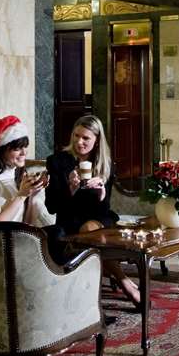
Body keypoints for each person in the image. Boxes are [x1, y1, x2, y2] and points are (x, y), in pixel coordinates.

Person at [45, 114, 140, 307]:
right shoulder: (57, 162)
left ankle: (107, 286)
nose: (79, 142)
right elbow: (51, 206)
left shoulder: (105, 164)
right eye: (76, 136)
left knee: (89, 229)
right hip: (68, 221)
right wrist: (70, 189)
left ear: (97, 141)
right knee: (88, 233)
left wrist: (101, 193)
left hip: (98, 218)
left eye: (85, 138)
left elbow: (103, 210)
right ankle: (124, 281)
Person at [0, 115, 48, 223]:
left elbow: (25, 224)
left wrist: (33, 195)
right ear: (1, 150)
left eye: (25, 146)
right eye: (17, 148)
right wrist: (21, 195)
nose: (24, 152)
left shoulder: (17, 173)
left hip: (19, 233)